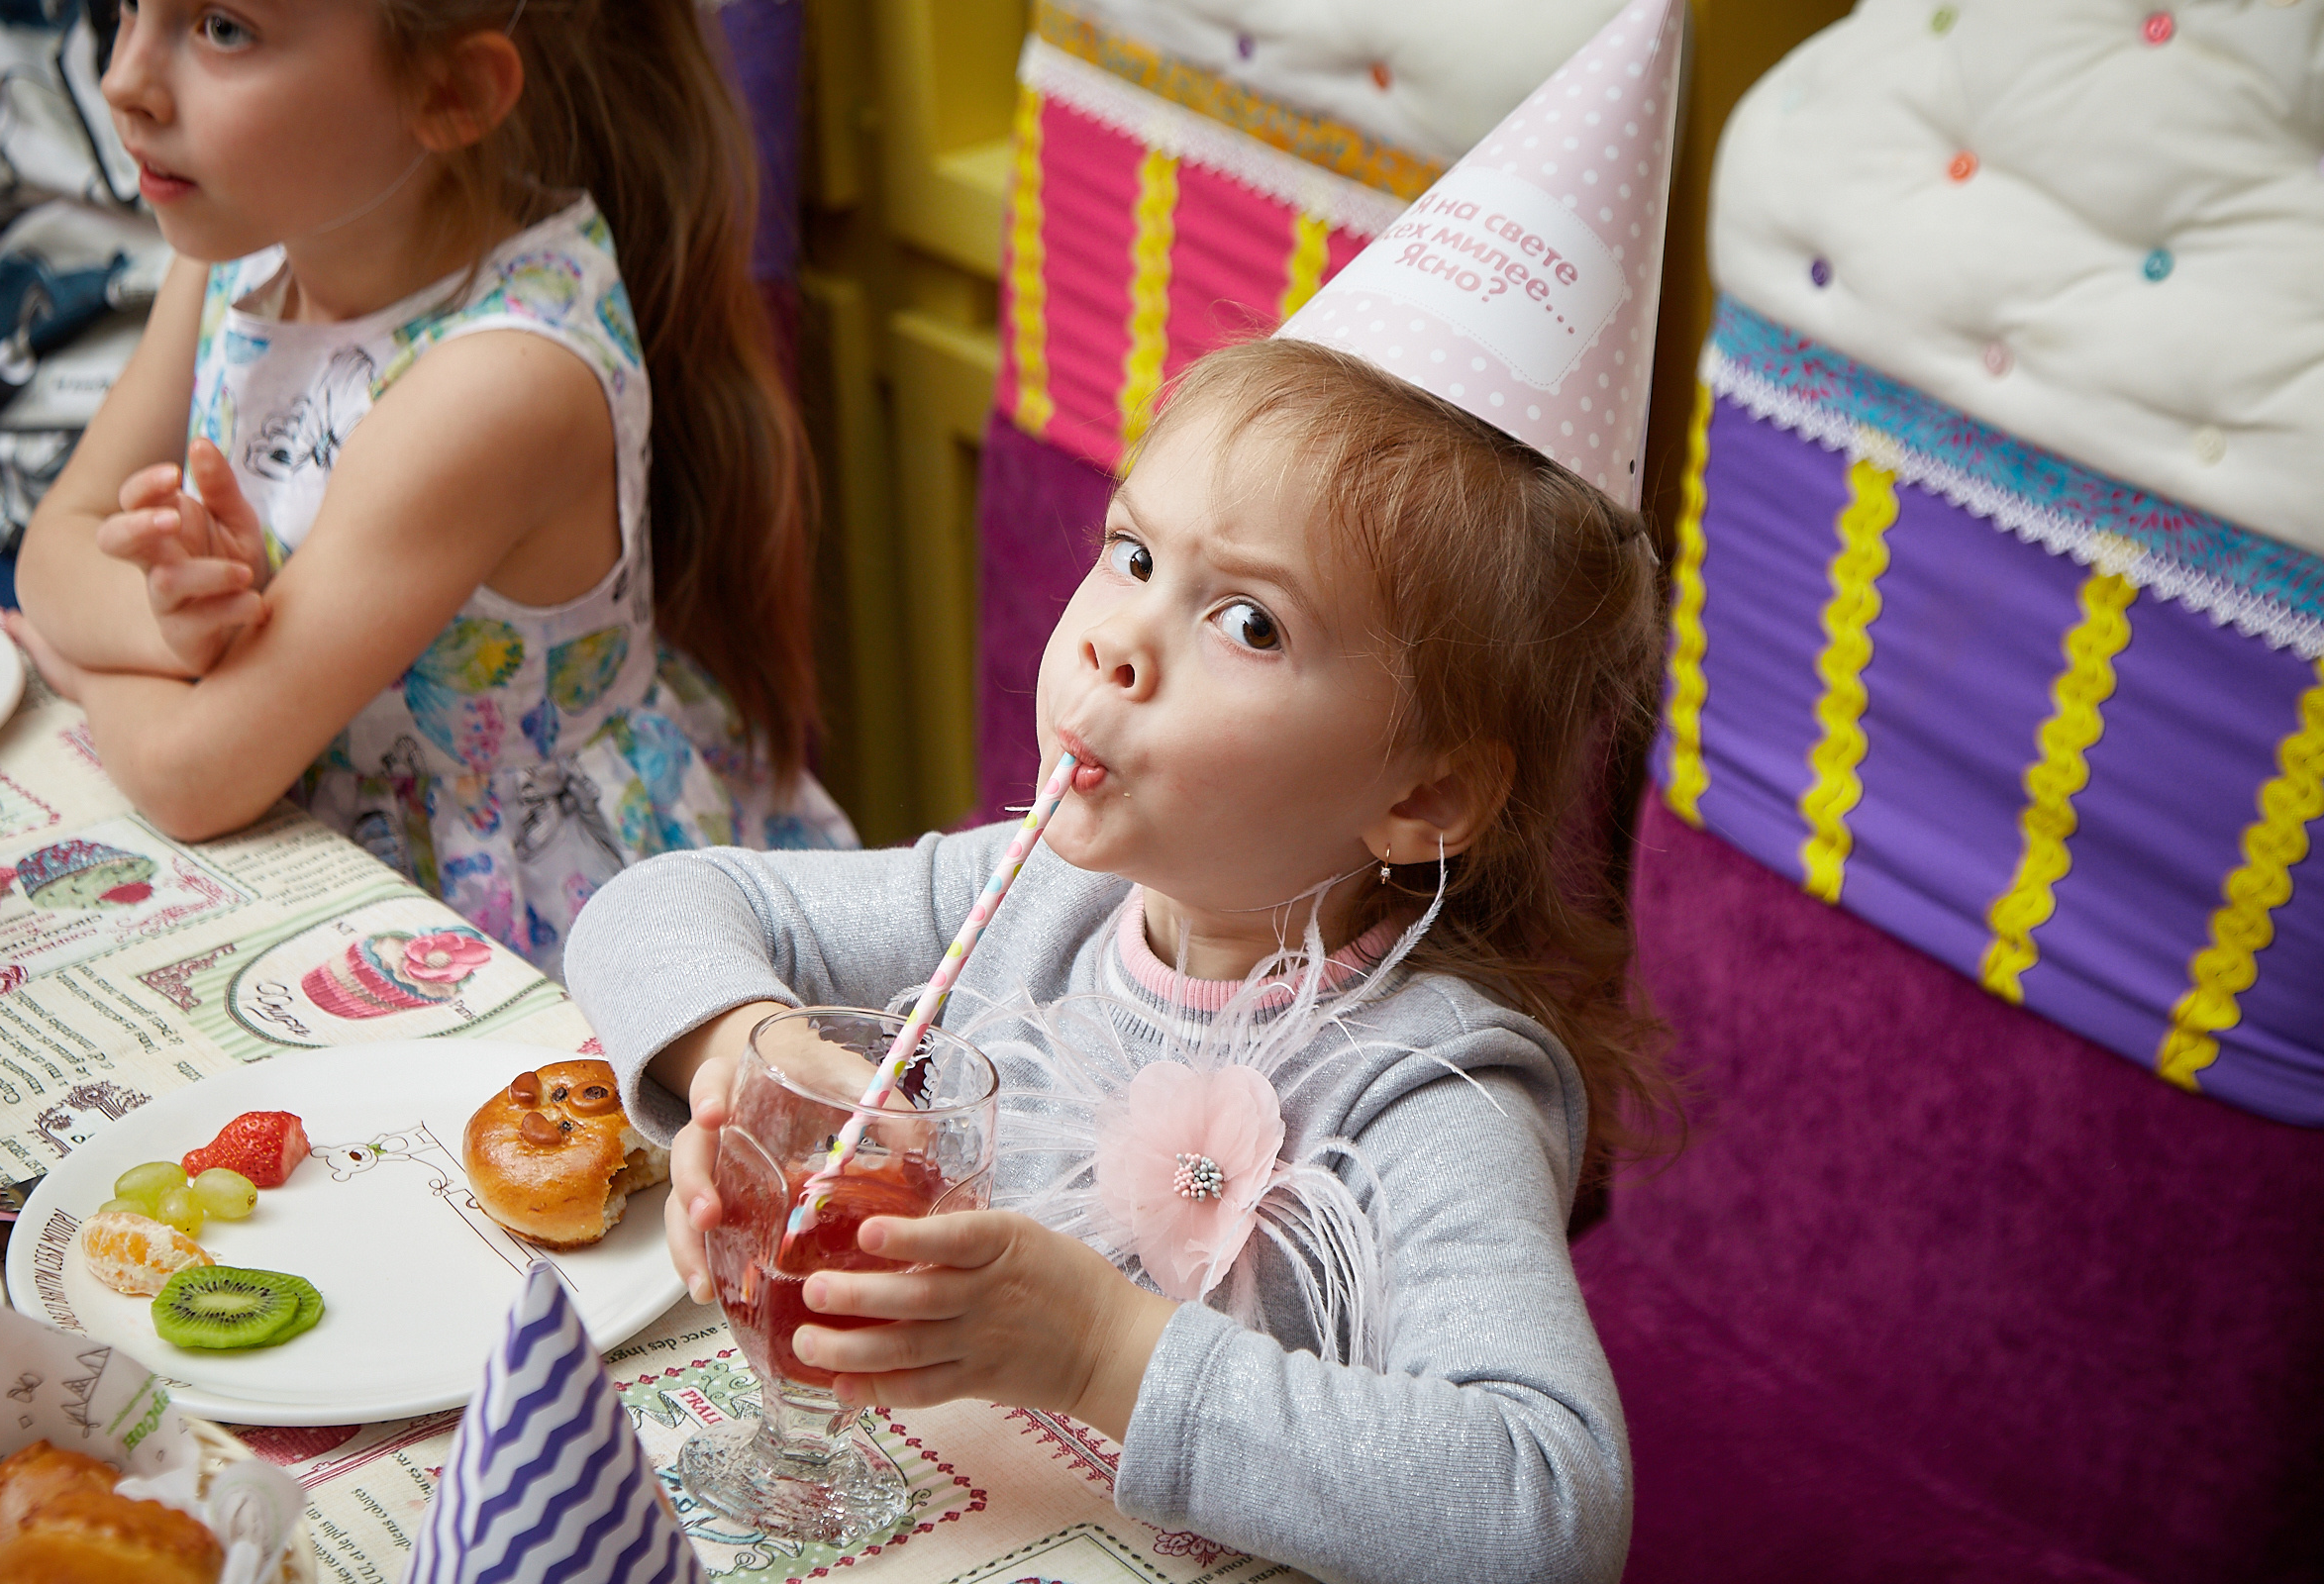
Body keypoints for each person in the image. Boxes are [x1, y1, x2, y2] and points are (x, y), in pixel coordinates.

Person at [565, 334, 1674, 1583]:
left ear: (1426, 792)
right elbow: (653, 903)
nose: (1118, 643)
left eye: (1249, 621)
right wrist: (748, 1062)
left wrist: (1097, 1350)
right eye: (1132, 555)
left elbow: (1551, 1506)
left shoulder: (1428, 1089)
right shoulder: (1036, 898)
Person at [3, 0, 853, 976]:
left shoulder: (495, 385)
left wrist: (89, 666)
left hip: (517, 938)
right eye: (128, 9)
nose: (123, 81)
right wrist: (180, 632)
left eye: (222, 29)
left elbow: (193, 773)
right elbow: (52, 544)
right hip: (302, 855)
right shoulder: (240, 259)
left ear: (452, 92)